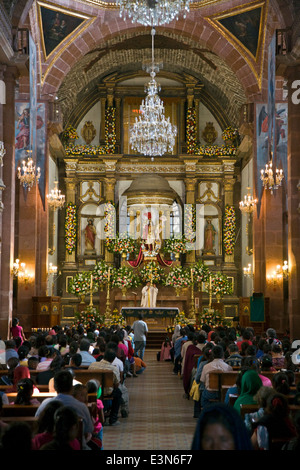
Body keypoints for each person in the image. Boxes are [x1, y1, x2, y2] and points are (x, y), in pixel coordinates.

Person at [35, 370, 94, 448]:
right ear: (71, 387)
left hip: (45, 445)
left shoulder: (45, 403)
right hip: (74, 446)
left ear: (55, 387)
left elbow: (37, 421)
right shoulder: (81, 406)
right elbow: (89, 429)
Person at [88, 349, 122, 426]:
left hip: (94, 390)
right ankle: (113, 419)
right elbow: (116, 385)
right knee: (118, 393)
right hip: (108, 392)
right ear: (113, 359)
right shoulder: (114, 369)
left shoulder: (93, 365)